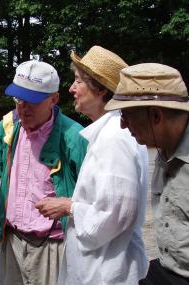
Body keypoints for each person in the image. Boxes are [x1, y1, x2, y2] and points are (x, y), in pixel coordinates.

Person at [37, 46, 149, 284]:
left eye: (78, 81)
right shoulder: (108, 133)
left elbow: (118, 213)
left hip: (108, 272)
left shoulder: (114, 139)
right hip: (102, 267)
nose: (71, 89)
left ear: (100, 89)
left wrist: (69, 206)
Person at [105, 62, 189, 285]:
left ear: (156, 115)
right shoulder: (164, 149)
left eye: (126, 116)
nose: (122, 125)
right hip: (168, 273)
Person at [0, 60, 87, 285]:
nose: (23, 108)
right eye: (18, 99)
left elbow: (91, 201)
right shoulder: (7, 128)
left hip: (53, 248)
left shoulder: (75, 137)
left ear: (54, 99)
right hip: (12, 241)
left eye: (32, 101)